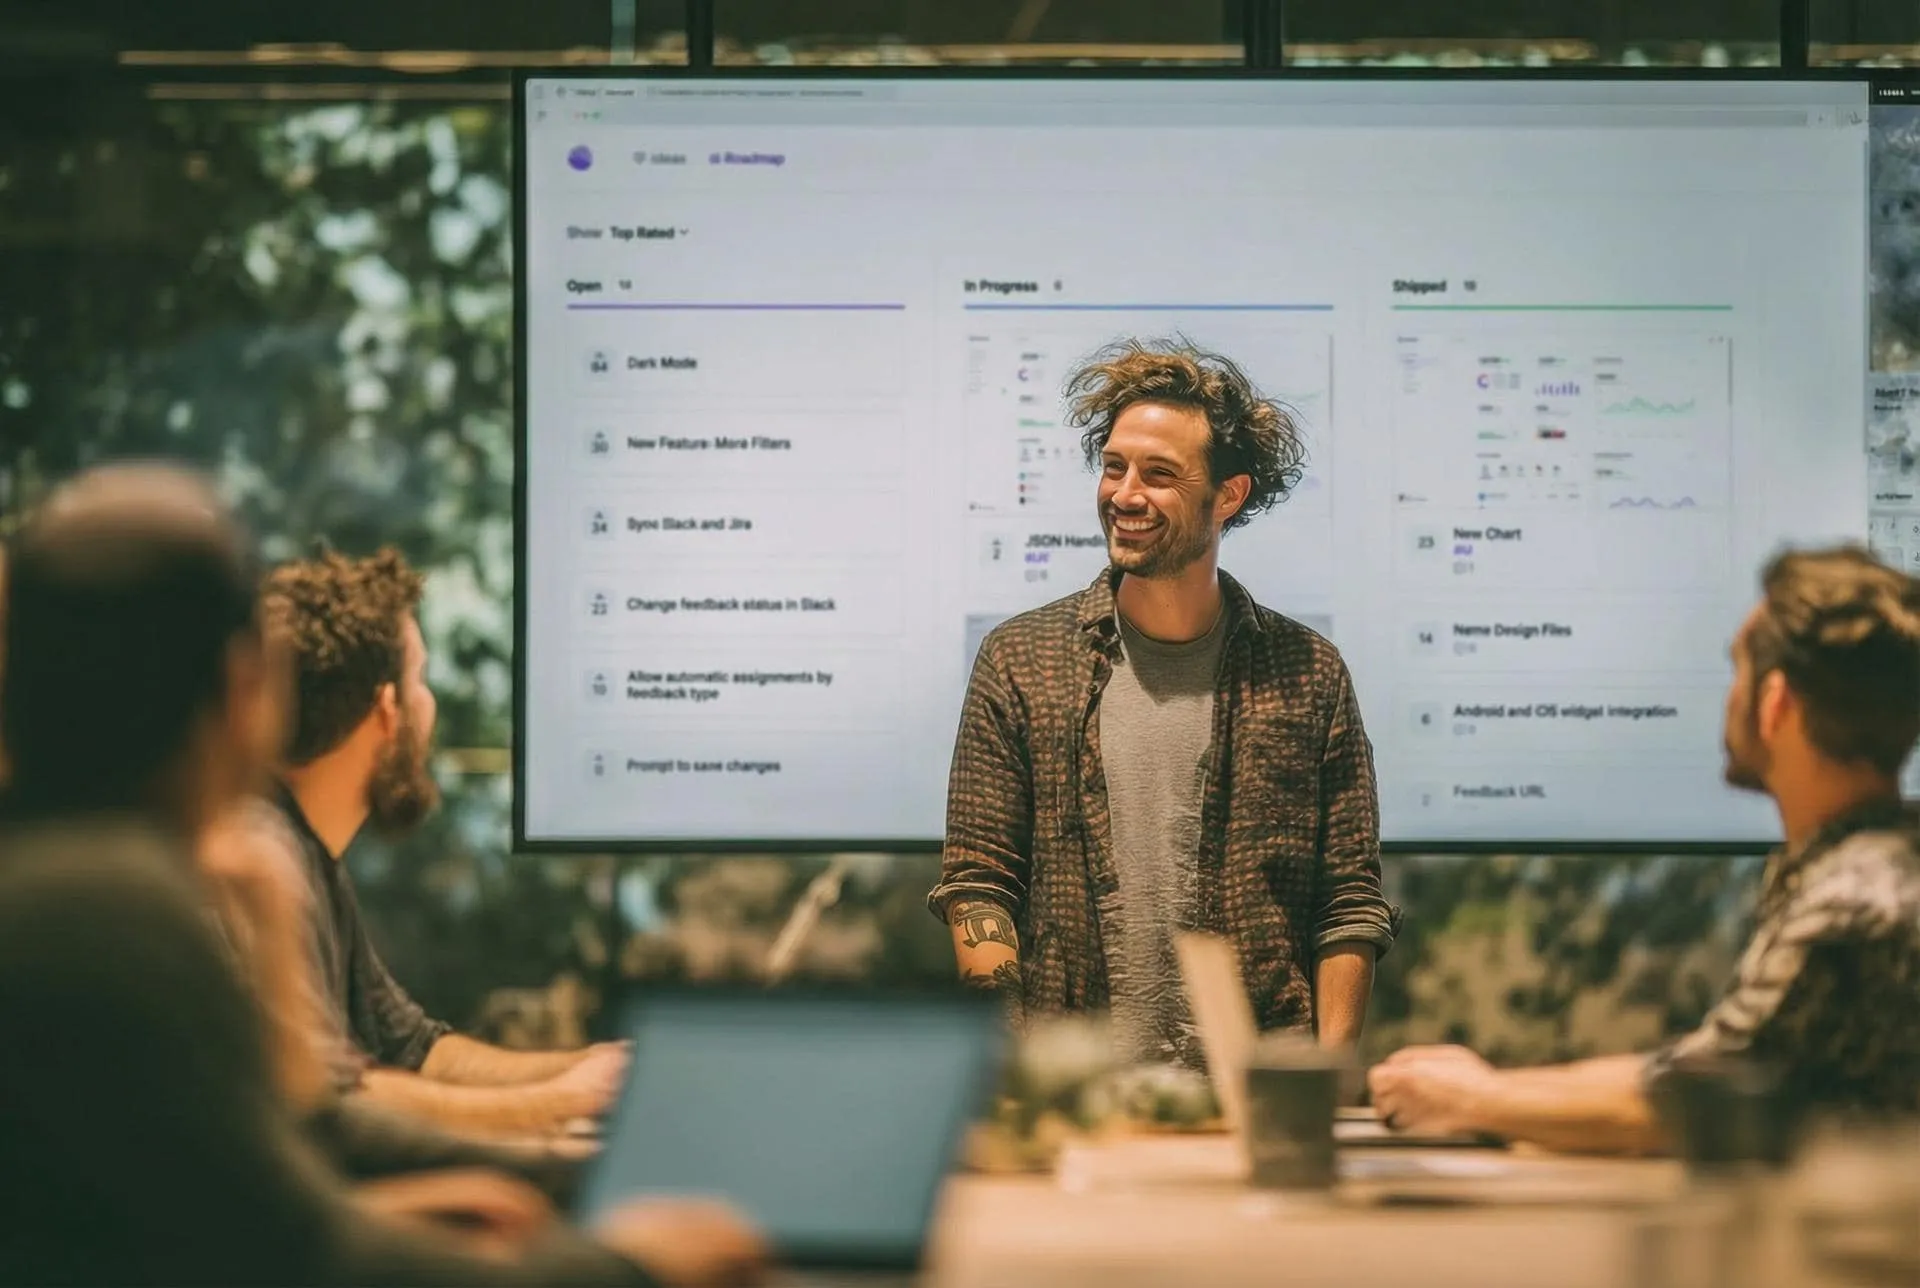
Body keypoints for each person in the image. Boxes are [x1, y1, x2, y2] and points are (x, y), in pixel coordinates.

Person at [0, 462, 768, 1286]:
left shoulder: (79, 877)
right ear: (242, 687)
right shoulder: (115, 913)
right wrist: (624, 1264)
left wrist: (553, 1175)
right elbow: (305, 1255)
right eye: (424, 678)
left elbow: (293, 1155)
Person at [930, 338, 1397, 1067]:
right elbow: (979, 883)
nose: (1124, 495)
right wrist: (1015, 1066)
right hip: (1078, 1094)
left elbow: (1346, 904)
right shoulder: (1022, 659)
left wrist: (1321, 1085)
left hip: (1253, 1092)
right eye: (1114, 466)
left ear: (1228, 496)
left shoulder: (1308, 672)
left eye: (1159, 474)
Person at [1369, 546, 1920, 1154]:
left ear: (1775, 704)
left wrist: (1471, 1100)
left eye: (1738, 671)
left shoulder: (1851, 906)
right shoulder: (1870, 873)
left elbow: (1693, 1106)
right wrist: (1487, 1085)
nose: (1728, 697)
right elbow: (1694, 1068)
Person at [260, 548, 625, 1137]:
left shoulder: (304, 854)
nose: (430, 705)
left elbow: (412, 1049)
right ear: (387, 710)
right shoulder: (264, 860)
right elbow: (331, 1101)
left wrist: (587, 1069)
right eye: (420, 680)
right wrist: (555, 1101)